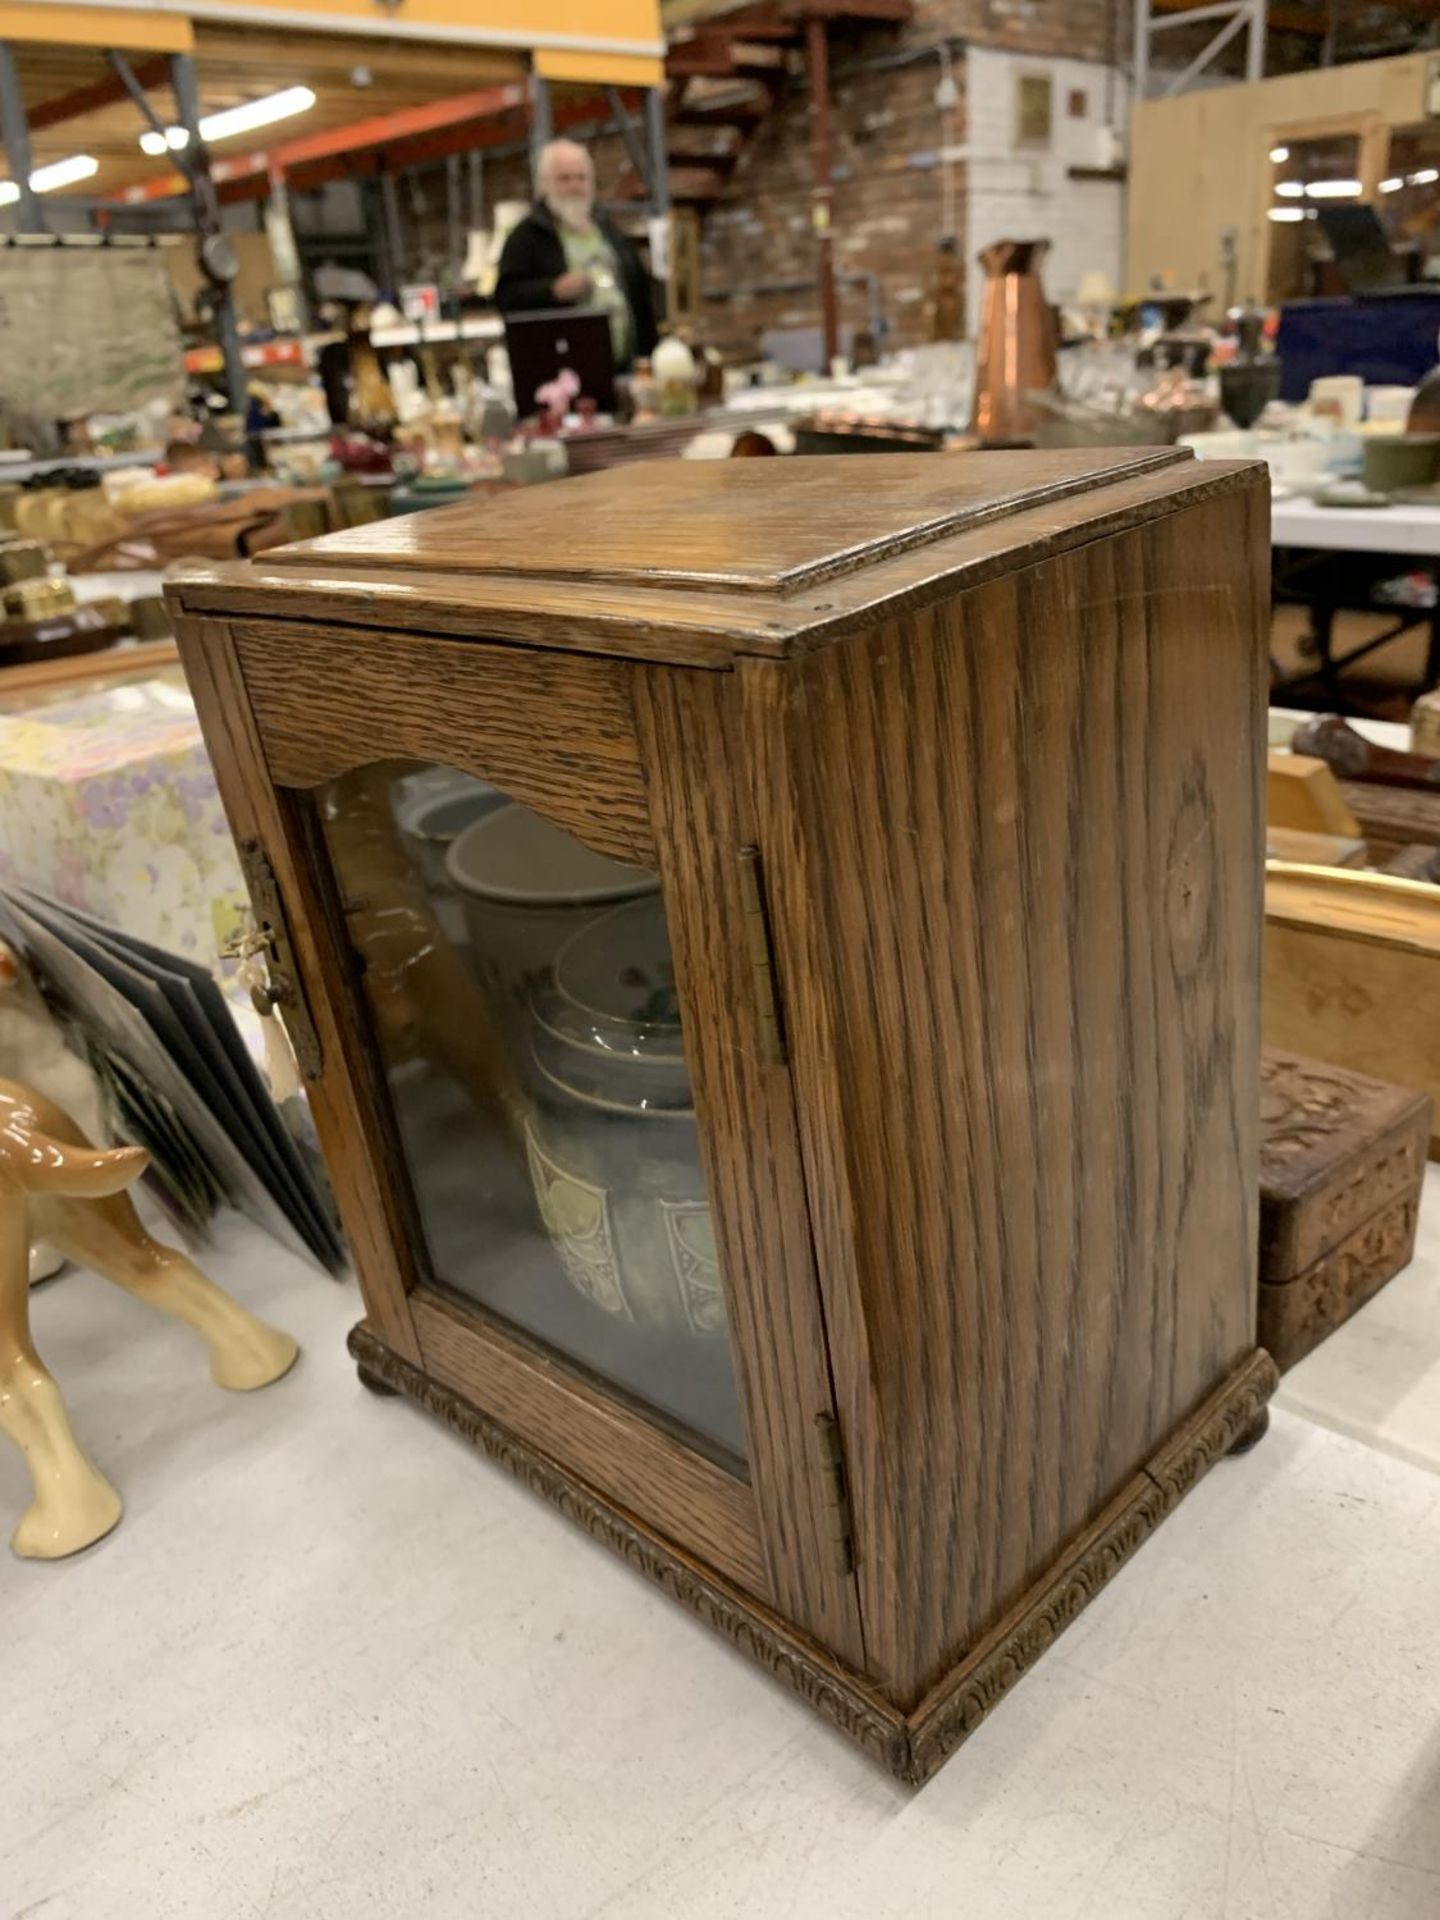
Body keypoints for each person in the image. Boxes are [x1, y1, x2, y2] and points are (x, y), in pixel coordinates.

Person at [494, 140, 658, 370]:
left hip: (626, 364)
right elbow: (506, 297)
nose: (575, 186)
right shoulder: (528, 237)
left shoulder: (609, 231)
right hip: (563, 370)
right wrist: (551, 290)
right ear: (544, 184)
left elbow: (640, 295)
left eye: (581, 177)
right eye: (564, 178)